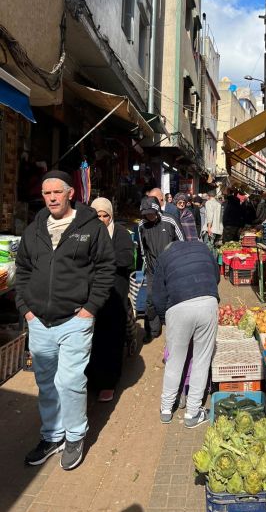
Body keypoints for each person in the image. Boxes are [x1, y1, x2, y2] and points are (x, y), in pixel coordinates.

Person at [16, 170, 116, 470]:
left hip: (75, 320)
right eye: (46, 194)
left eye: (57, 192)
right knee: (46, 382)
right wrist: (26, 310)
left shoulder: (89, 226)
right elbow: (22, 271)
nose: (51, 198)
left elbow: (106, 268)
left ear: (70, 193)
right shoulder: (34, 230)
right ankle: (52, 435)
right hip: (40, 322)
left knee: (70, 380)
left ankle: (75, 435)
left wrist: (89, 309)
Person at [152, 240, 219, 427]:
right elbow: (216, 276)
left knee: (174, 360)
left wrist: (166, 320)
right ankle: (193, 413)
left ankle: (166, 409)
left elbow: (157, 295)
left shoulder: (164, 257)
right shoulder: (203, 247)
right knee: (201, 360)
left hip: (178, 308)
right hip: (207, 302)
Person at [86, 198, 134, 402]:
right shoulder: (86, 234)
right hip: (91, 294)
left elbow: (126, 259)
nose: (102, 219)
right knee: (91, 338)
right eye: (98, 215)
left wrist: (102, 259)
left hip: (115, 293)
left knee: (112, 337)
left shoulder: (121, 234)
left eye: (106, 215)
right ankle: (92, 379)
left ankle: (109, 382)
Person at [138, 196, 185, 343]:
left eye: (151, 213)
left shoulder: (170, 221)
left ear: (158, 210)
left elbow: (182, 242)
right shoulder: (141, 225)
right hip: (152, 269)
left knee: (174, 299)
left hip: (171, 268)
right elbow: (142, 249)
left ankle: (177, 330)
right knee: (151, 300)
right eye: (146, 214)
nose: (149, 216)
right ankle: (152, 330)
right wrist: (147, 265)